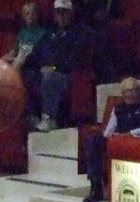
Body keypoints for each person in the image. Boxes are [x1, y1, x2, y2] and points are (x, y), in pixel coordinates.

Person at [83, 77, 140, 202]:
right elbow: (109, 130)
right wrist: (110, 137)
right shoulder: (118, 109)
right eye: (126, 91)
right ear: (122, 94)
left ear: (139, 92)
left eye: (133, 90)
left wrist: (131, 134)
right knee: (94, 141)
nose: (129, 94)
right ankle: (96, 186)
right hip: (119, 142)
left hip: (139, 141)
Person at [28, 0, 90, 131]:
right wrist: (40, 66)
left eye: (65, 13)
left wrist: (54, 67)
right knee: (26, 74)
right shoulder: (50, 34)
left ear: (71, 14)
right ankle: (31, 115)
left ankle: (49, 119)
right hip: (45, 71)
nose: (61, 16)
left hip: (68, 75)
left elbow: (76, 60)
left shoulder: (81, 33)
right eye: (58, 13)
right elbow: (35, 55)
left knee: (50, 77)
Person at [2, 1, 49, 73]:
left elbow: (43, 57)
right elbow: (13, 52)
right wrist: (3, 59)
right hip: (19, 61)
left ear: (37, 15)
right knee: (2, 61)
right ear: (24, 16)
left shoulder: (43, 33)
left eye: (33, 13)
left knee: (19, 60)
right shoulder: (22, 33)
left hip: (33, 64)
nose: (30, 16)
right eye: (27, 13)